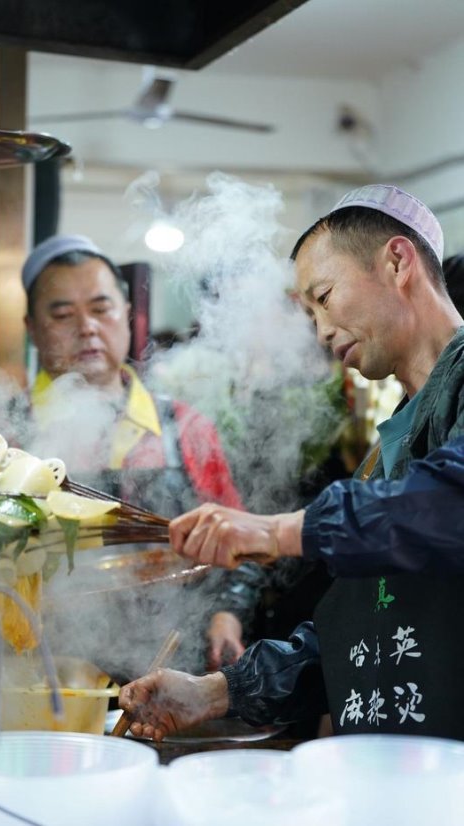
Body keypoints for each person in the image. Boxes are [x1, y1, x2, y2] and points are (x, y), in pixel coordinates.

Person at [118, 183, 464, 740]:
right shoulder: (386, 448)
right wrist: (217, 690)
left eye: (324, 297)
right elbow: (356, 625)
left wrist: (279, 530)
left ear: (398, 262)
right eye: (309, 313)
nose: (322, 332)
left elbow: (449, 503)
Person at [10, 233, 247, 677]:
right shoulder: (5, 436)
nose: (87, 327)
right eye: (62, 314)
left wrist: (226, 614)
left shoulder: (185, 427)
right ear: (32, 328)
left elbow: (240, 544)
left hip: (175, 672)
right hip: (47, 672)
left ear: (127, 315)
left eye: (100, 309)